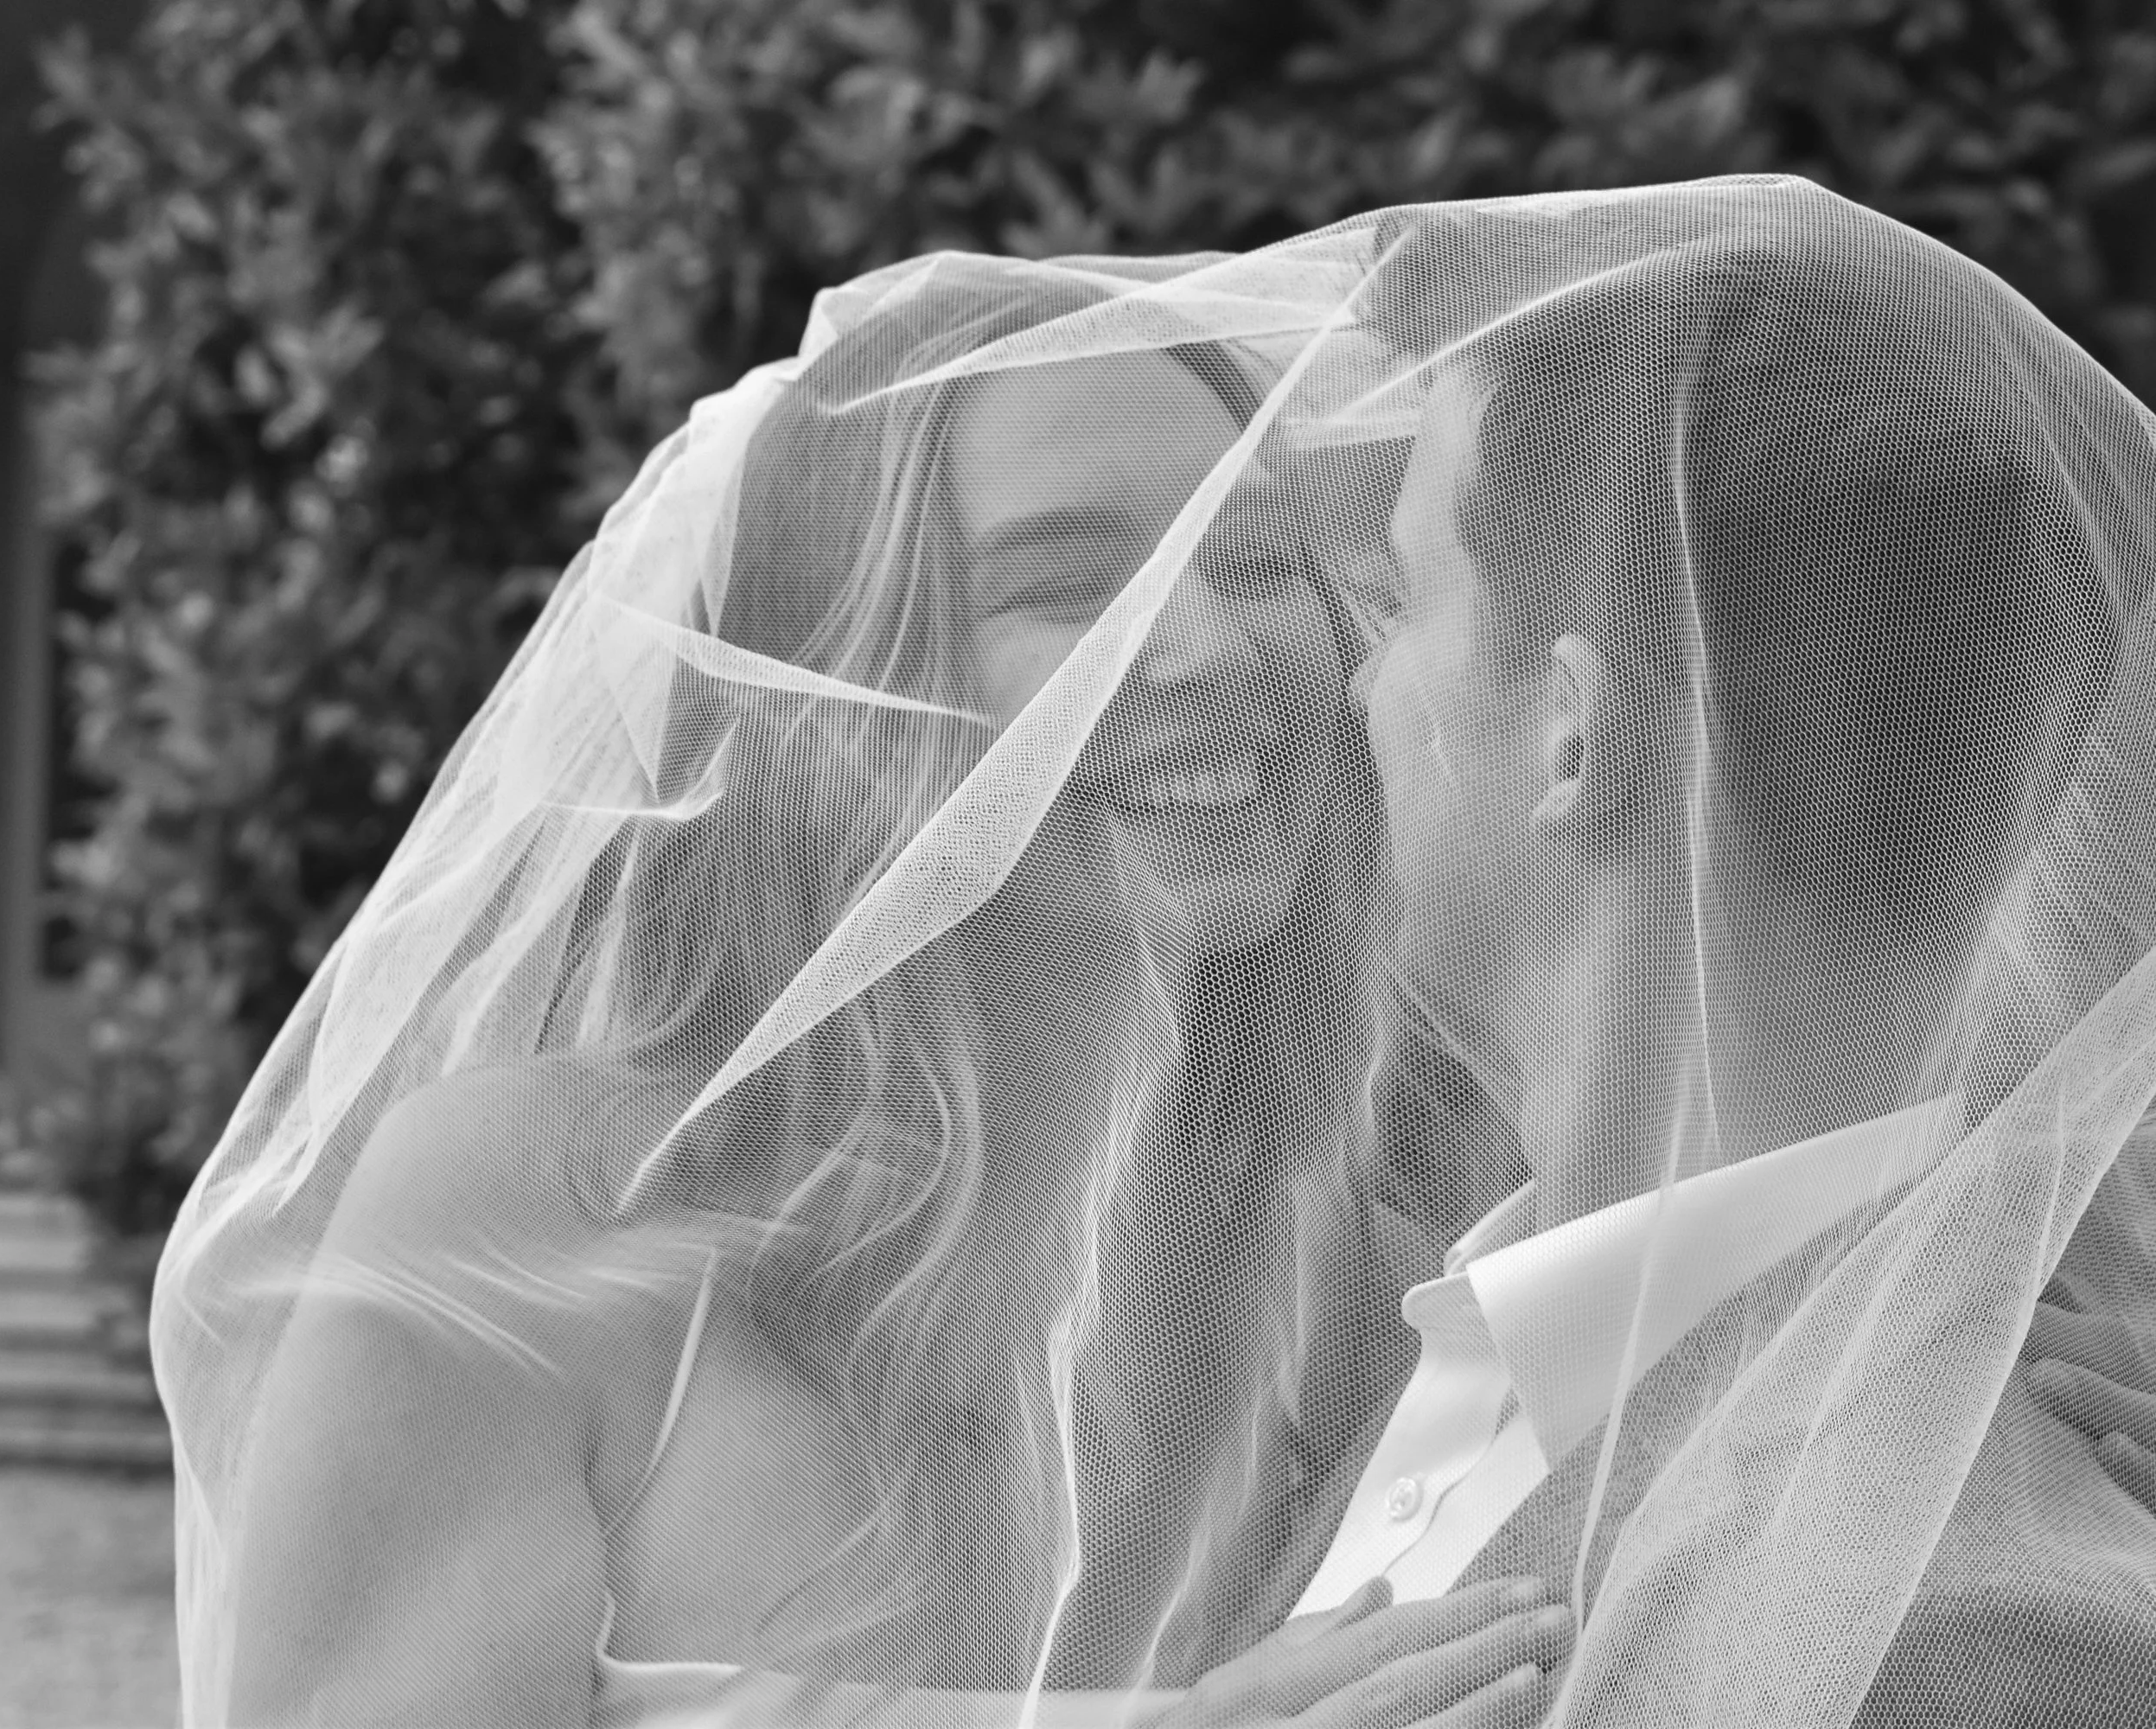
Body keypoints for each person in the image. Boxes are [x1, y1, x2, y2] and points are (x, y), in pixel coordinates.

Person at [158, 252, 1572, 1727]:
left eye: (1256, 559)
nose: (1212, 647)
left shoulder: (1353, 1284)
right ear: (850, 692)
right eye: (1075, 584)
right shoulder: (546, 1213)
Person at [1312, 182, 2156, 1725]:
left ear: (1575, 729)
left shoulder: (1964, 1624)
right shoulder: (1487, 1346)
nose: (1356, 681)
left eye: (1398, 595)